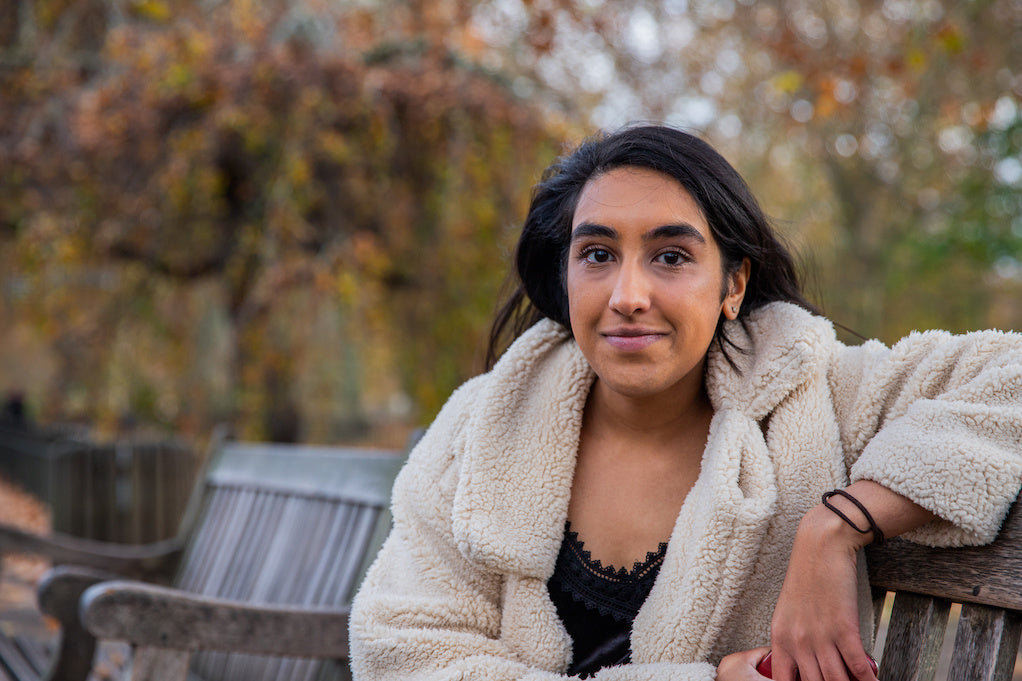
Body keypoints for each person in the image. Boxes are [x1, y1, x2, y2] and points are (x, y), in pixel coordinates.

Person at [349, 125, 1022, 680]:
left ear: (733, 284)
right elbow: (402, 654)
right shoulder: (483, 426)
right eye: (598, 253)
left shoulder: (818, 396)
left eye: (671, 256)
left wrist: (834, 526)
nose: (628, 294)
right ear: (565, 273)